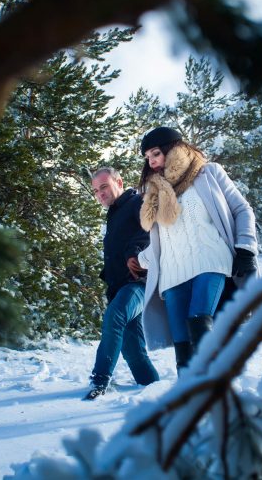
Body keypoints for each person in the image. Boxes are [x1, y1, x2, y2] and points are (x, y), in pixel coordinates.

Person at [134, 127, 258, 375]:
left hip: (210, 261)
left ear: (173, 148)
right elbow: (163, 240)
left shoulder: (208, 173)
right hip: (172, 275)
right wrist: (139, 260)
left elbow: (241, 210)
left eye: (156, 153)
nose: (152, 161)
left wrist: (246, 247)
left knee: (200, 325)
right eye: (148, 157)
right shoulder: (154, 193)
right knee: (183, 350)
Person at [84, 167, 159, 400]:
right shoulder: (114, 213)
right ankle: (153, 388)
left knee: (115, 316)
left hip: (138, 283)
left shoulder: (137, 202)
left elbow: (149, 232)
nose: (100, 194)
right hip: (119, 287)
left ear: (119, 181)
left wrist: (136, 253)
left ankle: (99, 380)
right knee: (133, 351)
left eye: (104, 187)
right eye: (96, 190)